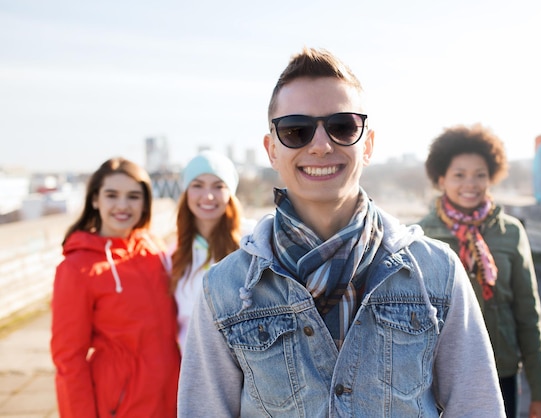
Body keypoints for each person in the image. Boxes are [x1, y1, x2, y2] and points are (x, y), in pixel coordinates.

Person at [178, 47, 505, 417]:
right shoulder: (225, 289)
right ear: (272, 150)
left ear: (367, 144)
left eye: (342, 126)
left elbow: (477, 408)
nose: (321, 145)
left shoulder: (437, 272)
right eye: (296, 130)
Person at [417, 124, 541, 418]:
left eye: (480, 174)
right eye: (459, 175)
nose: (471, 183)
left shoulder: (510, 233)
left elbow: (528, 315)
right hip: (437, 375)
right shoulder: (420, 237)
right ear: (441, 179)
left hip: (501, 370)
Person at [50, 157, 180, 418]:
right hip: (122, 405)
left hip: (175, 398)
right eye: (112, 195)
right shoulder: (76, 268)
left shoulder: (153, 249)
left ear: (144, 203)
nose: (123, 205)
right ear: (95, 200)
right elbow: (68, 360)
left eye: (133, 196)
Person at [170, 150, 255, 352]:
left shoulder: (252, 241)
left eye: (218, 186)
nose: (208, 196)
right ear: (186, 192)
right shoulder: (174, 254)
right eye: (197, 185)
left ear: (230, 194)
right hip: (195, 369)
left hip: (247, 366)